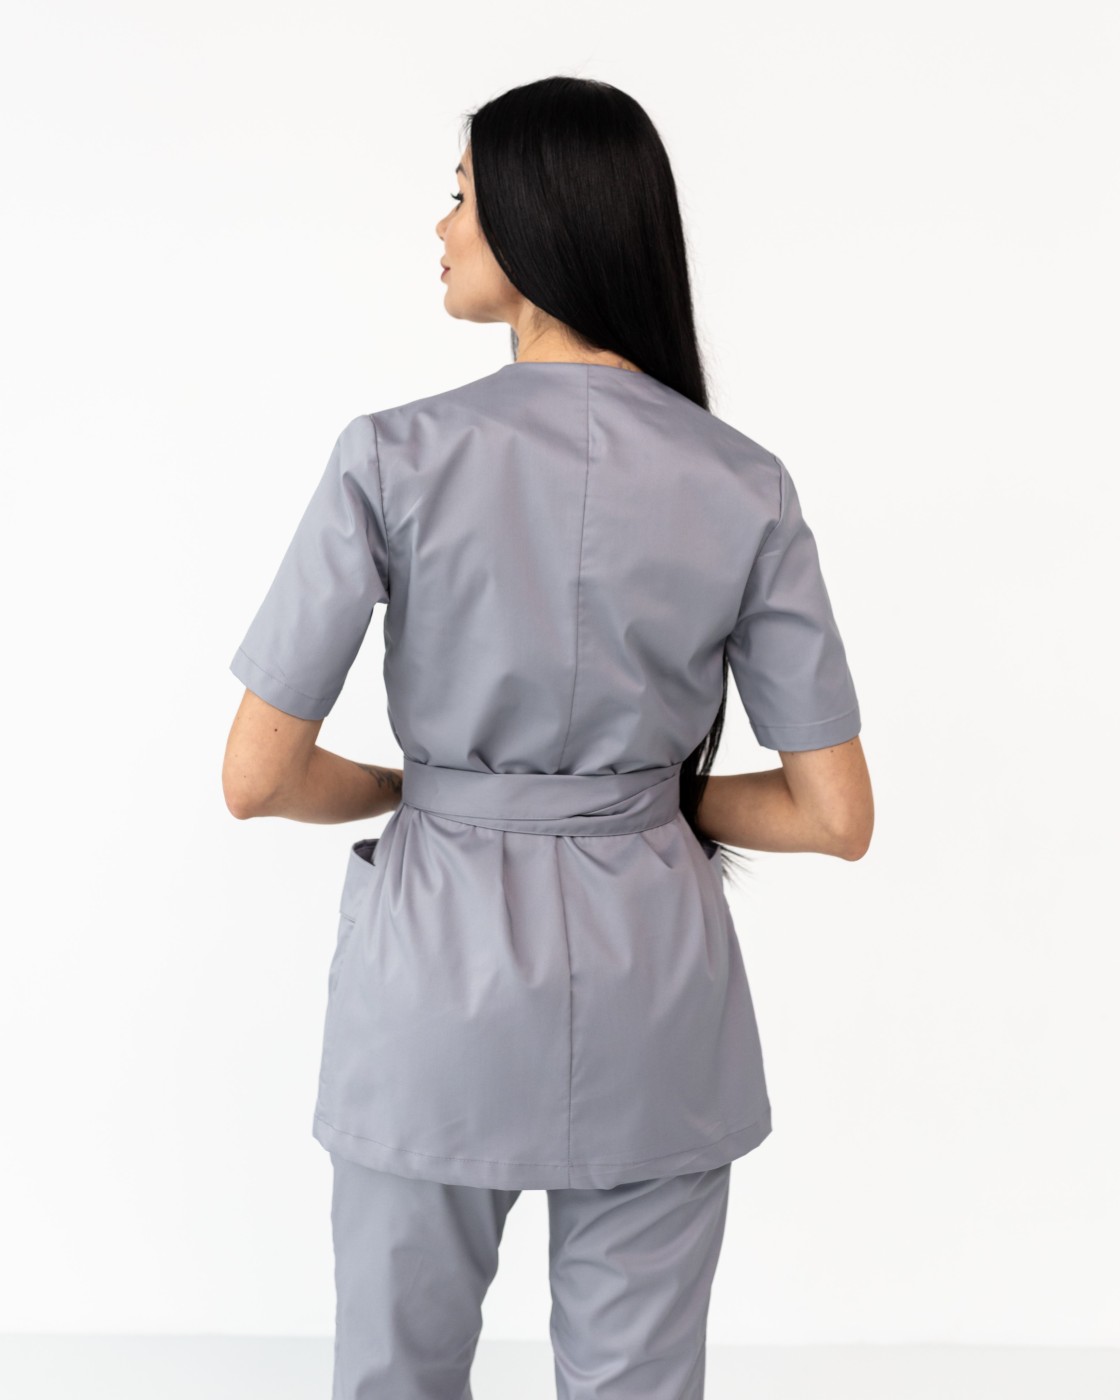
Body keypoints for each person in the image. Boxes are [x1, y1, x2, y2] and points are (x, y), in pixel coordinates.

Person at [222, 75, 873, 1400]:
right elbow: (834, 815)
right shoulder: (744, 481)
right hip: (657, 995)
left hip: (434, 978)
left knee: (397, 1378)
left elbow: (256, 776)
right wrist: (636, 798)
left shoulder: (393, 456)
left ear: (537, 215)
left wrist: (427, 787)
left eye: (462, 193)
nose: (443, 225)